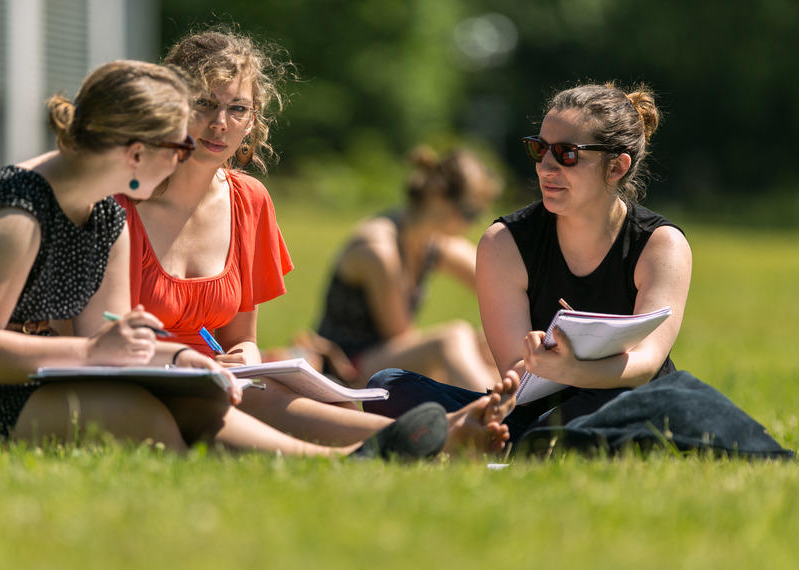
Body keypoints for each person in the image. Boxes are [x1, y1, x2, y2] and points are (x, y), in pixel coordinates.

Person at [118, 28, 517, 457]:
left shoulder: (248, 200)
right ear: (171, 103)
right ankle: (378, 450)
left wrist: (240, 356)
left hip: (219, 379)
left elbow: (241, 339)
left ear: (254, 119)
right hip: (140, 377)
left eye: (237, 109)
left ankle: (436, 432)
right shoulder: (123, 197)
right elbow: (100, 339)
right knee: (219, 401)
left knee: (277, 393)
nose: (220, 124)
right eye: (204, 104)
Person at [0, 60, 200, 449]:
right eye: (182, 147)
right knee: (136, 415)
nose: (183, 159)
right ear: (135, 154)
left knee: (196, 405)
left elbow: (104, 339)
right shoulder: (17, 213)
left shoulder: (107, 217)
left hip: (26, 381)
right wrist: (95, 351)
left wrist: (178, 358)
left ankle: (295, 457)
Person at [365, 82, 692, 444]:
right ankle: (523, 439)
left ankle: (524, 440)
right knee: (388, 387)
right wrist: (532, 367)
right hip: (537, 411)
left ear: (616, 167)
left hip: (626, 398)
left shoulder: (661, 244)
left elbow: (645, 364)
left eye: (567, 153)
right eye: (540, 149)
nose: (546, 167)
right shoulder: (504, 242)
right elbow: (517, 371)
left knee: (596, 408)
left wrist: (572, 368)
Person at [315, 146, 503, 391]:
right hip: (346, 368)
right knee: (453, 339)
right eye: (469, 212)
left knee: (492, 342)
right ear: (438, 197)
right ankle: (501, 415)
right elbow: (401, 338)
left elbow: (501, 285)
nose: (472, 223)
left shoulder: (431, 243)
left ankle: (519, 407)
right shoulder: (379, 250)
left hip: (384, 361)